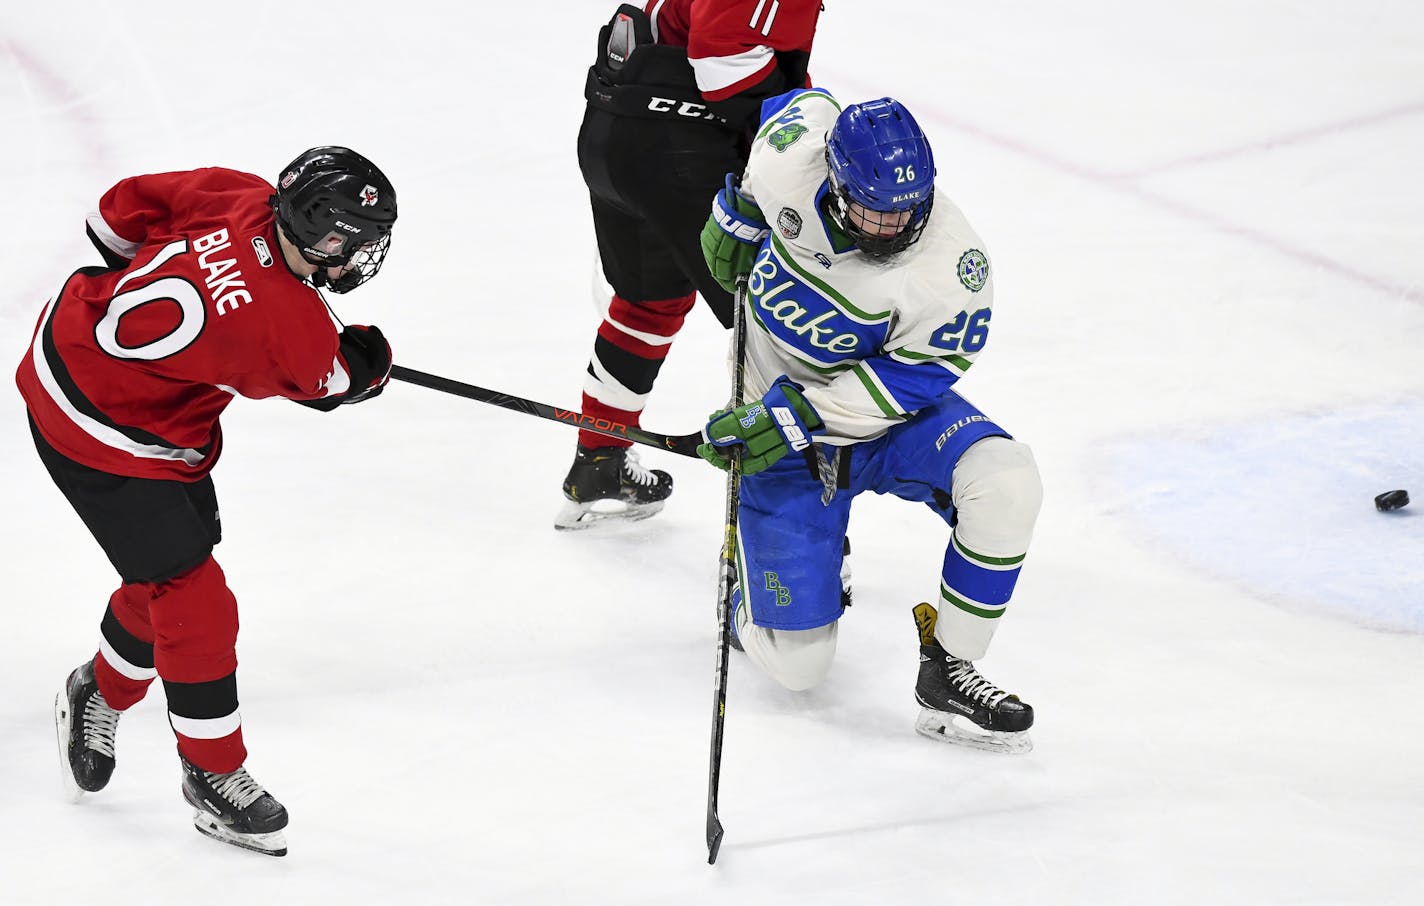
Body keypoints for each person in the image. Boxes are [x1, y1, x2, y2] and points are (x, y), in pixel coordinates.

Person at [16, 146, 399, 855]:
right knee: (196, 594)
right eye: (355, 241)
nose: (360, 257)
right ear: (321, 232)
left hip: (74, 340)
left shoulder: (240, 194)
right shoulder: (289, 326)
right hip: (105, 431)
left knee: (164, 573)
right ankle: (213, 776)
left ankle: (96, 690)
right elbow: (329, 380)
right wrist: (368, 367)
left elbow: (118, 213)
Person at [698, 89, 1044, 753]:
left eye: (905, 212)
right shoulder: (789, 162)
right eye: (872, 211)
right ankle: (744, 591)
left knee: (1006, 481)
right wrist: (740, 207)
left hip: (880, 418)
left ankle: (949, 669)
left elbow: (916, 375)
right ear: (833, 181)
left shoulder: (952, 269)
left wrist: (806, 415)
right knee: (798, 670)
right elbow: (794, 103)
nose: (892, 228)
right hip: (779, 427)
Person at [556, 0, 823, 530]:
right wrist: (803, 131)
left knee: (647, 302)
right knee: (779, 325)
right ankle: (796, 533)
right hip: (679, 144)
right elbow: (723, 58)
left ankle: (600, 461)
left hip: (617, 130)